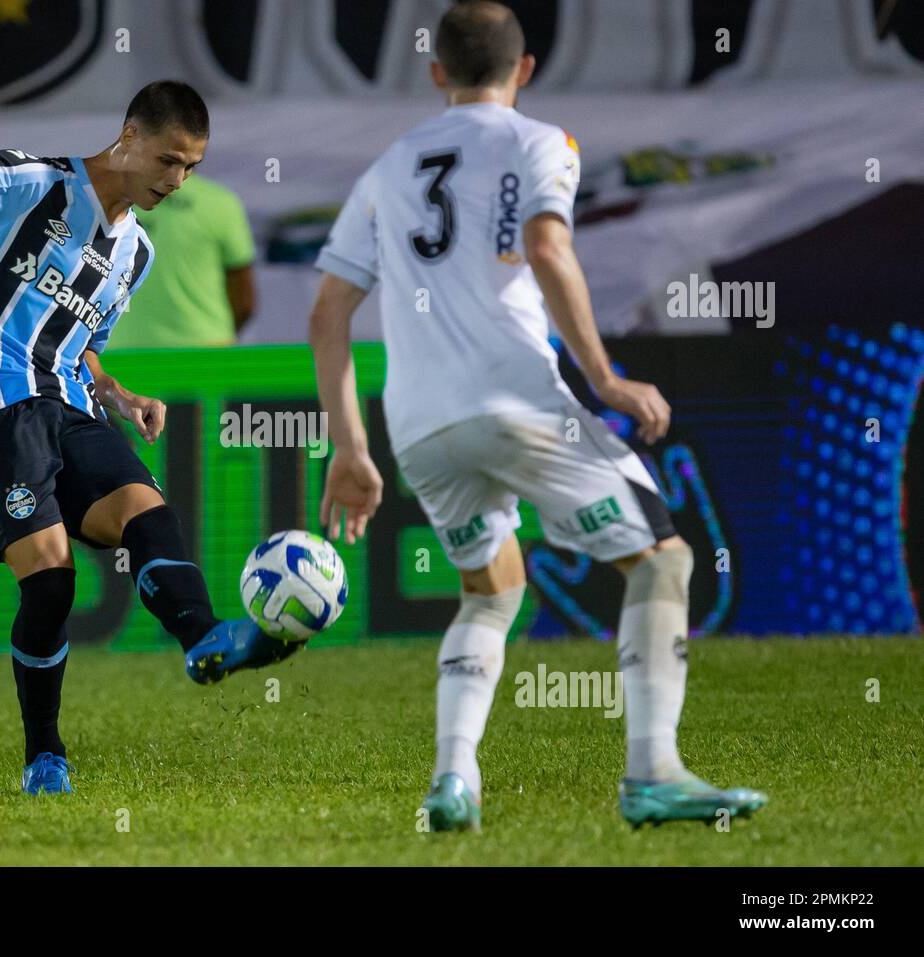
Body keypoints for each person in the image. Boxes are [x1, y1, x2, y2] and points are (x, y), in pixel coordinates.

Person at [307, 2, 766, 831]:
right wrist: (606, 379)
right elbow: (550, 249)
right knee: (661, 561)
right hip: (516, 400)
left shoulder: (383, 170)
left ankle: (452, 780)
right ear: (524, 70)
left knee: (489, 590)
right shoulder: (540, 142)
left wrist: (351, 449)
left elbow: (326, 314)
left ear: (436, 70)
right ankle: (653, 772)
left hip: (419, 425)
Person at [0, 80, 297, 797]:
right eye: (170, 161)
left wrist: (118, 392)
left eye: (192, 169)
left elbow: (84, 342)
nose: (177, 181)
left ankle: (203, 637)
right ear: (130, 137)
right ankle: (44, 754)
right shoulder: (37, 186)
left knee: (147, 509)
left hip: (72, 405)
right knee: (51, 578)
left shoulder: (136, 252)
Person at [109, 173, 256, 348]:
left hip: (115, 352)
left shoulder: (107, 199)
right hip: (207, 348)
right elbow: (244, 299)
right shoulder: (219, 202)